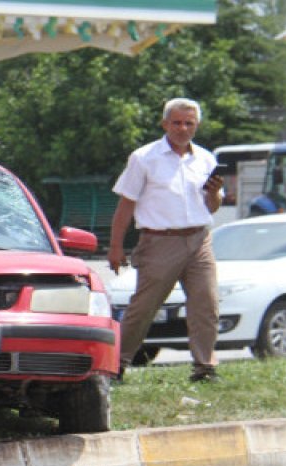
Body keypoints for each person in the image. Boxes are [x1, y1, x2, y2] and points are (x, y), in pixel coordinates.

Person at [108, 98, 224, 383]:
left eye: (189, 123)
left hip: (199, 239)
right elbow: (126, 206)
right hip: (160, 241)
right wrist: (115, 247)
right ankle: (115, 365)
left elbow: (212, 206)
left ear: (196, 126)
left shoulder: (206, 159)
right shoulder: (144, 157)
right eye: (177, 122)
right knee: (144, 307)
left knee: (206, 304)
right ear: (165, 124)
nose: (183, 129)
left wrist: (214, 193)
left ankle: (204, 368)